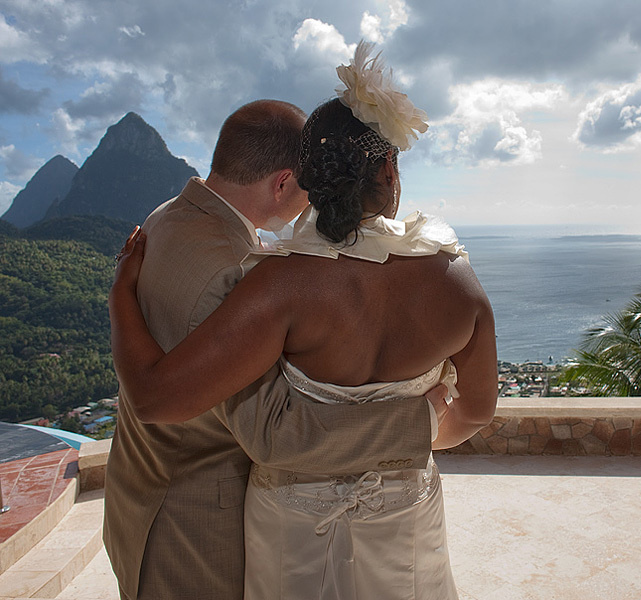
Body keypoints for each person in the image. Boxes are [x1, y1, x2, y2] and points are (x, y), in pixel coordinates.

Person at [109, 44, 497, 599]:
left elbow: (154, 397)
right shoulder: (458, 282)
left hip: (286, 523)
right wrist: (420, 432)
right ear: (387, 168)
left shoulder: (264, 279)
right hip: (399, 516)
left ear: (311, 179)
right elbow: (477, 411)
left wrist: (118, 291)